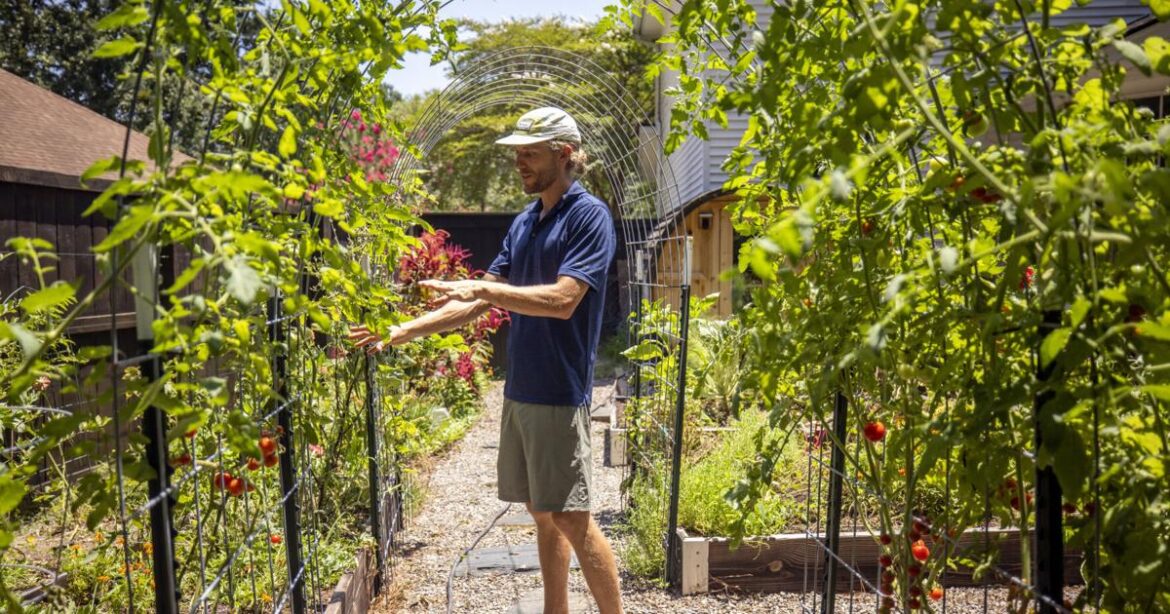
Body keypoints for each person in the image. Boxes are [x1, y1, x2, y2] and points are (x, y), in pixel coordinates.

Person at [348, 106, 623, 614]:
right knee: (541, 511)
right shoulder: (525, 221)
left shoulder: (588, 217)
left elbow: (564, 300)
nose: (519, 161)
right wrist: (402, 330)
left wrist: (481, 289)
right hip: (521, 388)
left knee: (571, 517)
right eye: (516, 152)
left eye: (530, 152)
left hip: (559, 391)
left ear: (564, 154)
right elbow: (480, 299)